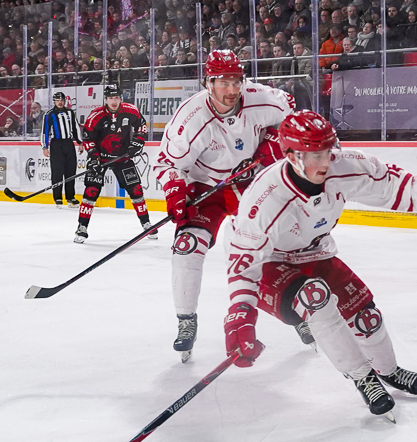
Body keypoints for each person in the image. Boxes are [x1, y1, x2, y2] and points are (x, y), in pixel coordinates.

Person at [223, 110, 417, 421]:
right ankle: (364, 378)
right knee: (315, 298)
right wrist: (240, 314)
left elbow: (392, 185)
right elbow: (244, 261)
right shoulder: (265, 198)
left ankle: (388, 371)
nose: (324, 163)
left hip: (316, 252)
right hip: (269, 262)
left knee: (366, 314)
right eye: (314, 156)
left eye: (327, 152)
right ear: (291, 155)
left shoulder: (343, 164)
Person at [152, 49, 296, 363]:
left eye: (236, 81)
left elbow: (292, 113)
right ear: (208, 83)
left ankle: (295, 309)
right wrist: (175, 189)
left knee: (275, 247)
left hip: (252, 183)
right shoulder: (190, 119)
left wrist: (275, 140)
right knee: (187, 245)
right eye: (223, 82)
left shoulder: (262, 98)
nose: (231, 90)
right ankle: (186, 319)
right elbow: (165, 163)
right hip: (207, 186)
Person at [78, 84, 152, 244]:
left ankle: (146, 224)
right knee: (91, 191)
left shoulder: (131, 111)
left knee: (137, 189)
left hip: (122, 157)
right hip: (101, 158)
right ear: (106, 99)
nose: (114, 101)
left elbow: (142, 126)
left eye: (116, 98)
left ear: (121, 98)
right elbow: (87, 138)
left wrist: (137, 143)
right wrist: (94, 157)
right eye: (111, 98)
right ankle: (82, 227)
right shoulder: (95, 116)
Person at [41, 91, 83, 208]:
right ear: (54, 101)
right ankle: (57, 197)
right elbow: (45, 131)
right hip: (56, 144)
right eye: (57, 100)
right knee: (57, 171)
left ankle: (70, 197)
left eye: (62, 100)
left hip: (68, 143)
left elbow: (75, 128)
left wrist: (80, 142)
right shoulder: (49, 114)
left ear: (65, 101)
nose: (60, 102)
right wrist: (45, 146)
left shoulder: (70, 112)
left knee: (71, 170)